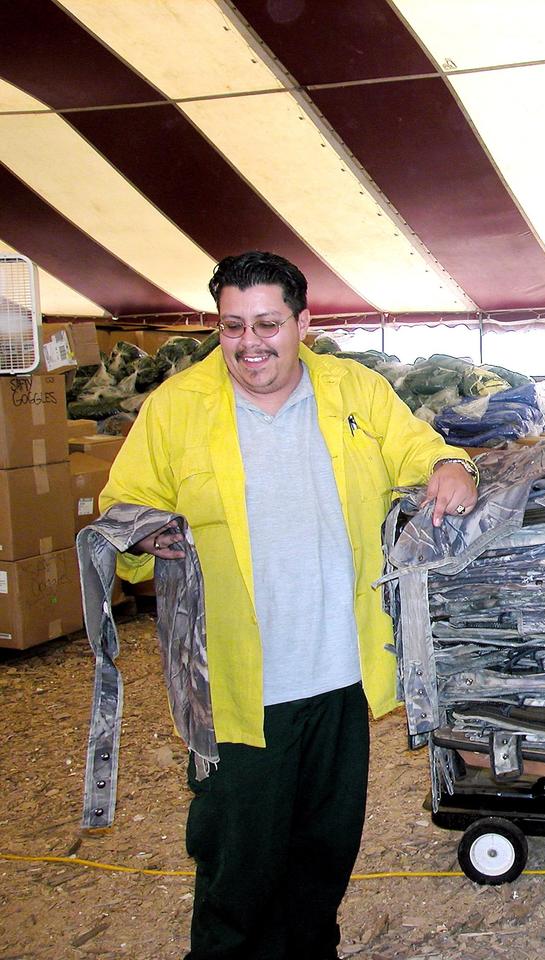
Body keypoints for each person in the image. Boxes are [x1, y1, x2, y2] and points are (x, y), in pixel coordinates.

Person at [99, 251, 478, 959]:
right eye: (232, 326)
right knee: (237, 870)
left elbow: (419, 450)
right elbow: (123, 508)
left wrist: (452, 465)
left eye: (268, 324)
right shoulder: (178, 408)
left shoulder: (353, 392)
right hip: (238, 687)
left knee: (322, 861)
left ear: (305, 323)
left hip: (339, 676)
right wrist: (141, 531)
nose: (250, 344)